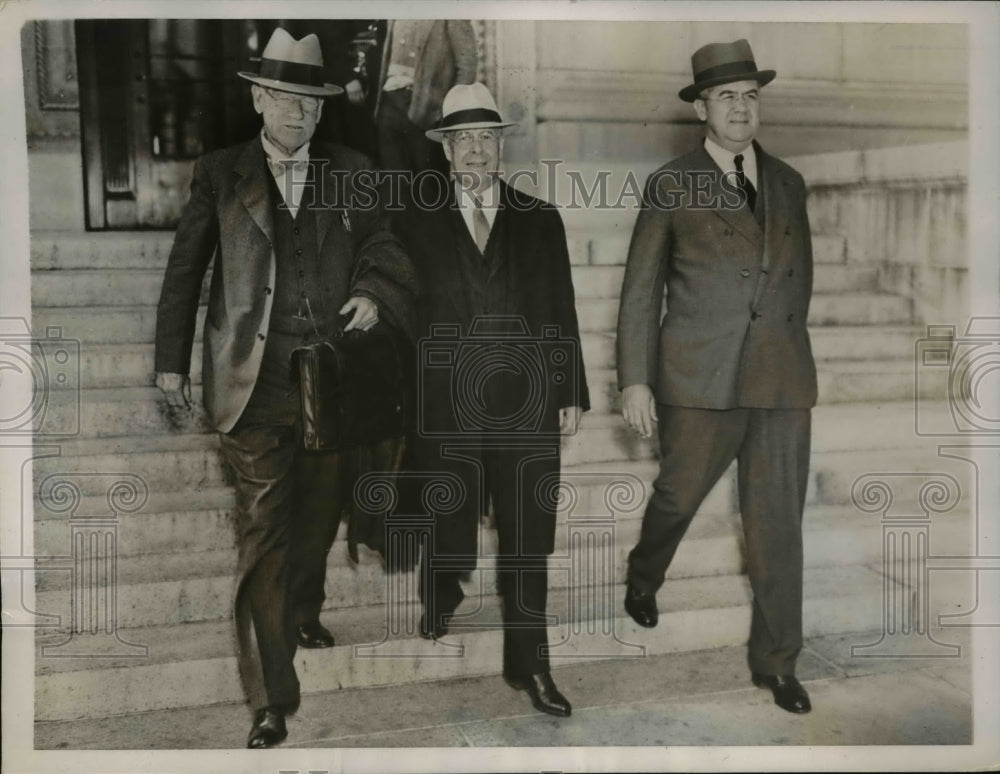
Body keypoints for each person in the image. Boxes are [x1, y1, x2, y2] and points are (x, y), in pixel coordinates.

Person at [153, 28, 417, 748]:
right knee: (266, 527)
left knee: (318, 512)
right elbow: (186, 270)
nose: (298, 115)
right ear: (259, 98)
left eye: (311, 103)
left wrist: (372, 291)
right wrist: (170, 360)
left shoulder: (354, 171)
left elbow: (386, 244)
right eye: (286, 100)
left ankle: (302, 603)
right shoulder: (220, 172)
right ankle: (273, 696)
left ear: (323, 110)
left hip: (332, 381)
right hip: (253, 381)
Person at [617, 39, 817, 715]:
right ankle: (645, 574)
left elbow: (800, 284)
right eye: (726, 96)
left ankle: (778, 661)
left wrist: (784, 350)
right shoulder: (672, 182)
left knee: (777, 524)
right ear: (701, 107)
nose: (740, 108)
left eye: (750, 96)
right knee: (676, 496)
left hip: (780, 382)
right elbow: (641, 292)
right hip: (699, 380)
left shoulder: (788, 181)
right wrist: (636, 380)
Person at [392, 83, 589, 717]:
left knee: (529, 537)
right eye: (463, 139)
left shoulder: (540, 219)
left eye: (486, 138)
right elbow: (398, 308)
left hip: (526, 402)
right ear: (446, 150)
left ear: (500, 147)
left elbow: (562, 309)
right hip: (445, 401)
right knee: (447, 515)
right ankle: (442, 585)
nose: (475, 150)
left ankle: (530, 664)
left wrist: (571, 390)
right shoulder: (412, 221)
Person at [372, 19, 478, 173]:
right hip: (388, 107)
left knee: (429, 186)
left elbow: (467, 68)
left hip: (428, 111)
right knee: (395, 186)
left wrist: (447, 110)